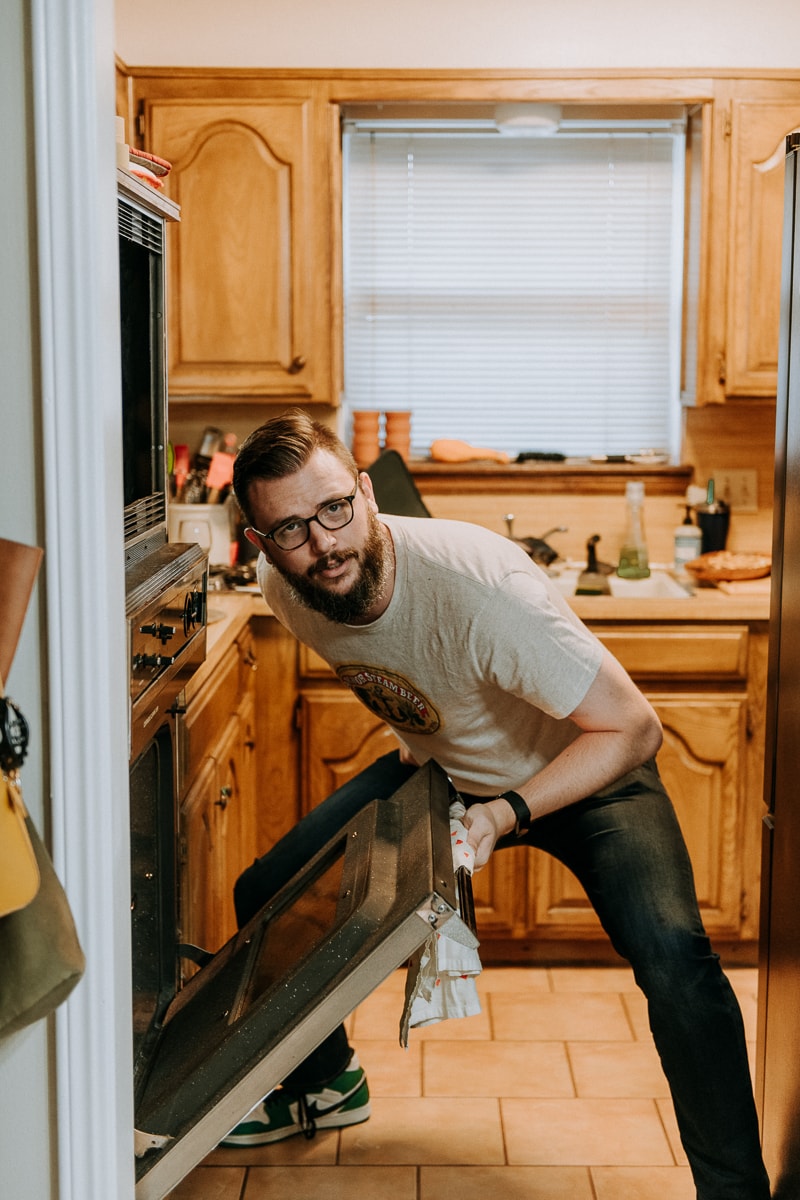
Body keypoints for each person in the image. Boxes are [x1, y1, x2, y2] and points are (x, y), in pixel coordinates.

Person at [222, 407, 770, 1199]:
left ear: (368, 493)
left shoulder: (480, 586)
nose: (324, 544)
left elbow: (634, 729)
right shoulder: (287, 589)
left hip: (591, 776)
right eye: (292, 529)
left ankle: (736, 1193)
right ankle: (326, 1082)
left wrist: (508, 809)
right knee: (271, 890)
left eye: (335, 508)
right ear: (261, 542)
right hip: (451, 776)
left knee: (676, 961)